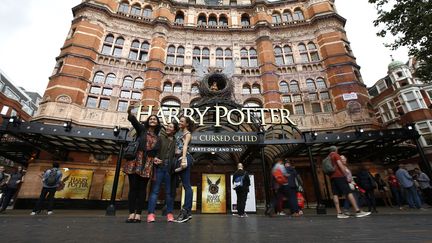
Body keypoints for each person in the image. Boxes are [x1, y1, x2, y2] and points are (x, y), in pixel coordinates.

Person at [124, 103, 161, 223]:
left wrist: (156, 158)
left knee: (142, 189)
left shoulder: (158, 137)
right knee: (133, 188)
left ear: (158, 123)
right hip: (135, 161)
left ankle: (138, 214)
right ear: (148, 121)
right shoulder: (142, 130)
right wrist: (130, 112)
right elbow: (133, 121)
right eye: (151, 118)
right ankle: (131, 214)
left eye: (155, 119)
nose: (153, 120)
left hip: (147, 163)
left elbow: (156, 152)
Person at [147, 122, 179, 223]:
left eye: (170, 127)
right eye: (168, 126)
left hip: (169, 170)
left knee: (169, 193)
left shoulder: (175, 141)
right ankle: (151, 214)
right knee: (155, 191)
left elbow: (176, 154)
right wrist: (155, 158)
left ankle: (169, 214)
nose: (168, 128)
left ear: (174, 130)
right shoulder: (160, 137)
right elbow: (153, 150)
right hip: (159, 167)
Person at [327, 146, 370, 218]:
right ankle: (357, 211)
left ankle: (339, 213)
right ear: (336, 150)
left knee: (335, 194)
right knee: (349, 192)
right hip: (340, 176)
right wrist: (345, 174)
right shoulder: (336, 155)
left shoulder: (328, 157)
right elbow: (340, 165)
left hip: (333, 177)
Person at [174, 116, 194, 223]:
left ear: (187, 124)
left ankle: (185, 210)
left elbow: (185, 146)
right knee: (186, 185)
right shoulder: (180, 134)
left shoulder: (188, 134)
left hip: (185, 158)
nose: (179, 122)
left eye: (182, 121)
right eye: (179, 121)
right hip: (180, 158)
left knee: (187, 185)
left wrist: (183, 159)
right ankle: (188, 212)